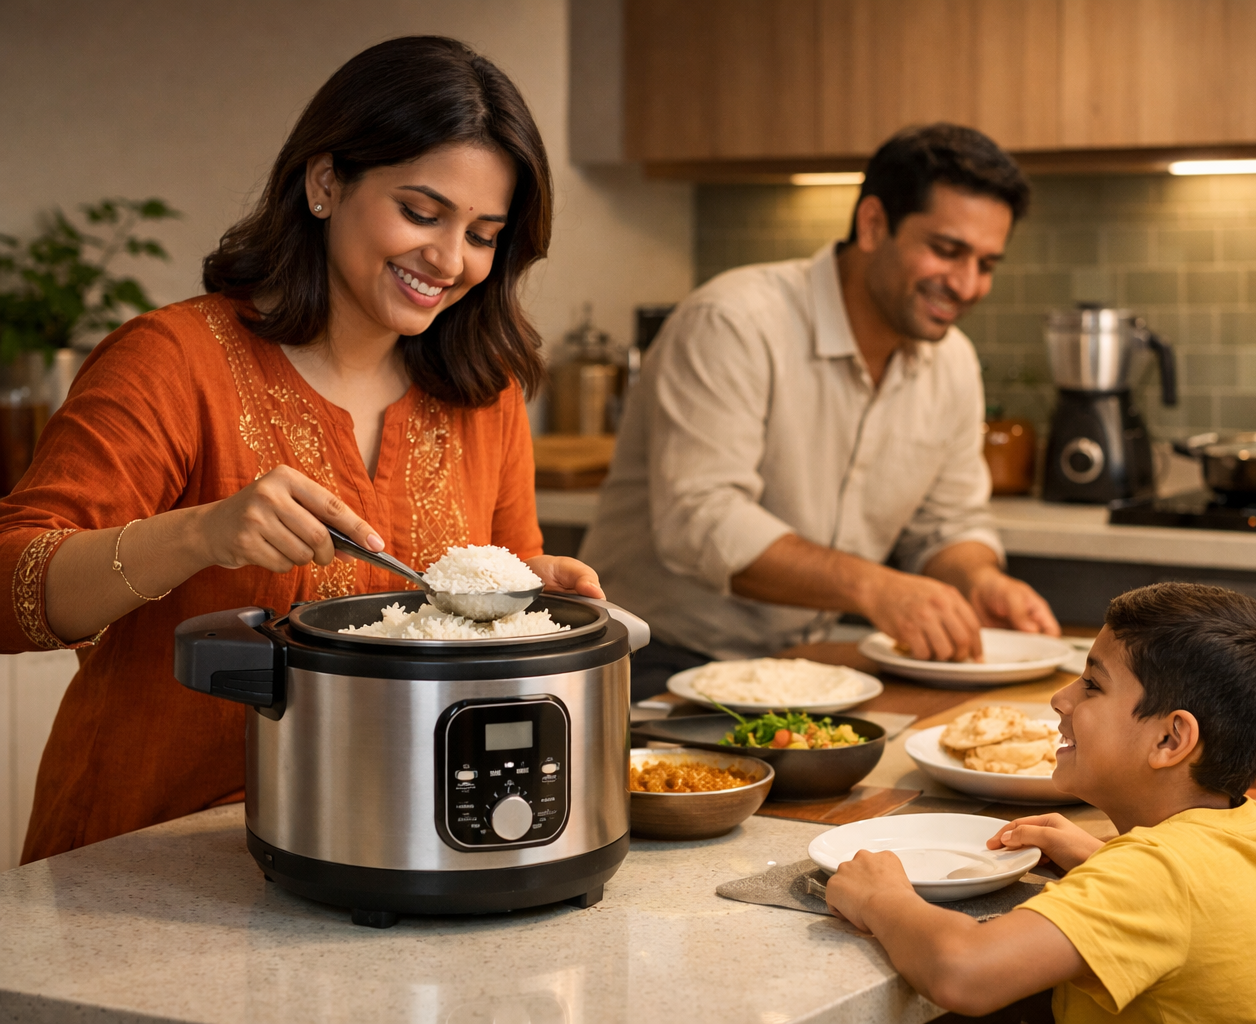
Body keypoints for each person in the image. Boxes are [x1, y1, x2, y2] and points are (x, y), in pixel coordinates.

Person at [1, 36, 602, 864]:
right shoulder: (174, 361)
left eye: (483, 234)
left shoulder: (481, 391)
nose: (450, 259)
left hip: (394, 854)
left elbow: (499, 587)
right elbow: (10, 584)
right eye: (421, 213)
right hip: (148, 860)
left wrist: (540, 596)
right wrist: (200, 533)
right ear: (325, 183)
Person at [580, 124, 1059, 698]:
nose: (967, 284)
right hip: (650, 661)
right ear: (873, 224)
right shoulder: (735, 322)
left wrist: (979, 579)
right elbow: (700, 520)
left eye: (986, 264)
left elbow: (948, 523)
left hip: (800, 669)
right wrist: (875, 588)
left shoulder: (951, 362)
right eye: (946, 250)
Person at [825, 583, 1256, 1023]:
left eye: (1091, 685)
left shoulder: (1157, 874)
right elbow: (1190, 905)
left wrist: (882, 898)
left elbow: (963, 973)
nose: (1061, 700)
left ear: (1171, 741)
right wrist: (1101, 857)